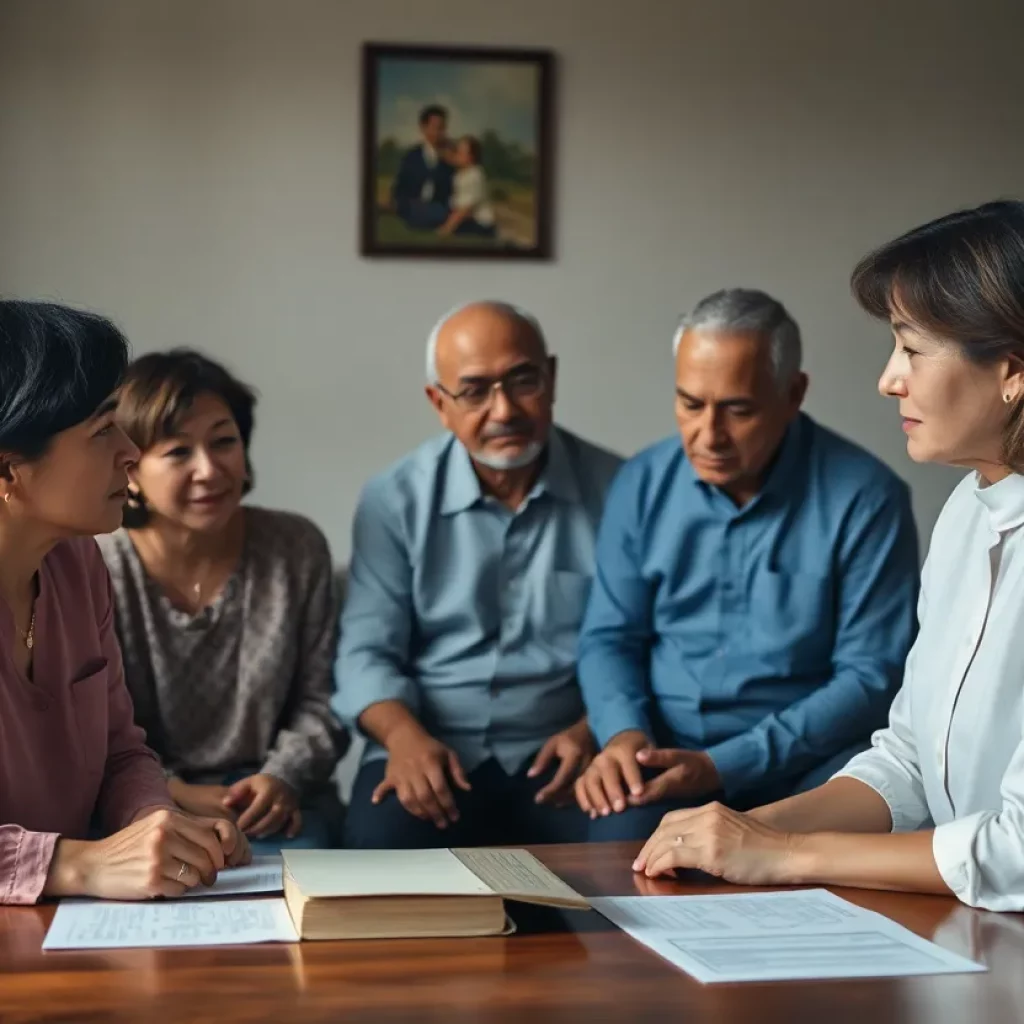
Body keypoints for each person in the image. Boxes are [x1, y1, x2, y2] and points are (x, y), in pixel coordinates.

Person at [634, 201, 1024, 913]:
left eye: (912, 347)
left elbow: (1016, 852)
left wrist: (780, 853)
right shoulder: (968, 511)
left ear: (1012, 370)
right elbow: (907, 762)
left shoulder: (874, 495)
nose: (888, 379)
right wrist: (743, 829)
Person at [576, 288, 919, 842]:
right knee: (616, 865)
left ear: (793, 393)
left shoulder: (867, 498)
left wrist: (725, 765)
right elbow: (610, 637)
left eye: (738, 410)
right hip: (664, 752)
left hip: (812, 765)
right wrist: (622, 736)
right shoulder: (641, 482)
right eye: (690, 404)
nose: (708, 436)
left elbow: (869, 676)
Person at [335, 301, 622, 849]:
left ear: (552, 378)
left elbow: (641, 644)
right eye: (474, 391)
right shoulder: (393, 499)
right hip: (433, 746)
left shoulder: (621, 490)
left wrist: (595, 730)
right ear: (438, 403)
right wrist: (404, 737)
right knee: (376, 860)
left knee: (637, 860)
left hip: (568, 750)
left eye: (523, 380)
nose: (504, 410)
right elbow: (365, 652)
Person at [0, 301, 248, 905]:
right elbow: (80, 864)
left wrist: (157, 825)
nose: (132, 451)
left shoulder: (78, 564)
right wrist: (74, 865)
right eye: (102, 429)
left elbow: (120, 749)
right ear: (9, 471)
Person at [96, 350, 347, 855]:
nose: (209, 470)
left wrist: (281, 778)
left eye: (224, 442)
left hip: (278, 798)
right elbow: (90, 725)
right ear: (131, 469)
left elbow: (325, 697)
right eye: (177, 452)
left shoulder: (296, 547)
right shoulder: (95, 564)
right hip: (143, 801)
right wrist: (171, 791)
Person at [391, 104, 455, 231]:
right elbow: (399, 188)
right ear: (423, 128)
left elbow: (453, 189)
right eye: (435, 127)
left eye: (442, 128)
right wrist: (404, 206)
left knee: (437, 214)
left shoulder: (450, 157)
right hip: (414, 206)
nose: (438, 133)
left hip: (440, 208)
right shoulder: (411, 156)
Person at [437, 136, 498, 239]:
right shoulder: (459, 175)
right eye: (457, 151)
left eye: (460, 153)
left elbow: (465, 209)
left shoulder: (475, 175)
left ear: (471, 157)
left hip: (480, 224)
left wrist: (447, 228)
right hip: (467, 219)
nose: (456, 155)